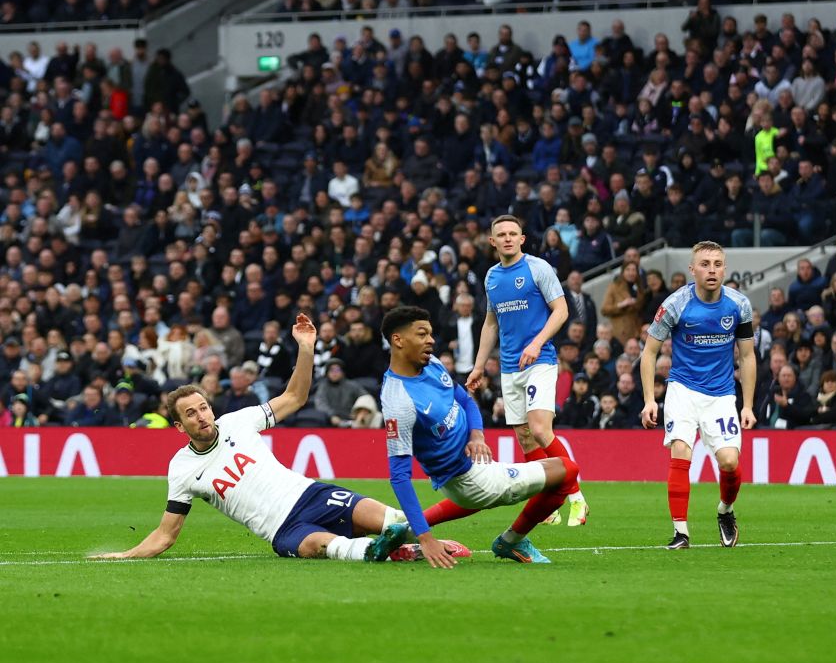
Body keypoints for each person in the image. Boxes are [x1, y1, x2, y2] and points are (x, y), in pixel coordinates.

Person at [89, 315, 460, 563]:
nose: (201, 416)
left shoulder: (239, 421)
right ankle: (395, 553)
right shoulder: (182, 469)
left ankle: (419, 540)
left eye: (202, 407)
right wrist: (125, 555)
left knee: (392, 519)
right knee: (326, 547)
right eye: (190, 414)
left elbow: (295, 398)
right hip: (285, 529)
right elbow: (166, 534)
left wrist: (306, 348)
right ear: (179, 427)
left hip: (312, 494)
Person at [381, 306, 579, 565]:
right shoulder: (398, 401)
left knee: (477, 499)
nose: (431, 340)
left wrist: (477, 436)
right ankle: (512, 541)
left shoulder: (431, 364)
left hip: (472, 469)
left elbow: (465, 400)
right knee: (567, 471)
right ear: (398, 340)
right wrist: (426, 537)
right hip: (470, 480)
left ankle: (405, 528)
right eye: (422, 334)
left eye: (430, 334)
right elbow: (399, 476)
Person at [466, 215, 588, 526]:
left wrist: (536, 343)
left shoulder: (538, 268)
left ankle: (575, 496)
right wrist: (479, 366)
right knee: (524, 438)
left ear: (522, 239)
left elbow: (561, 310)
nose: (507, 238)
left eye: (513, 233)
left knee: (539, 429)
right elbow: (491, 323)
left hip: (540, 361)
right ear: (492, 241)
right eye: (501, 234)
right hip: (509, 367)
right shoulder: (491, 277)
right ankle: (546, 500)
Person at [639, 241, 757, 549]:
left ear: (724, 268)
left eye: (717, 264)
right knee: (681, 451)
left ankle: (725, 511)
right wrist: (650, 399)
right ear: (692, 269)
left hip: (721, 395)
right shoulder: (676, 304)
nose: (712, 270)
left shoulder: (739, 305)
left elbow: (747, 356)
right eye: (705, 264)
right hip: (683, 389)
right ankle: (681, 532)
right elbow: (650, 352)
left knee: (730, 462)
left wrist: (748, 405)